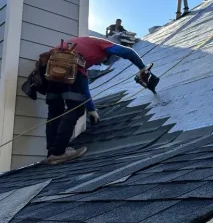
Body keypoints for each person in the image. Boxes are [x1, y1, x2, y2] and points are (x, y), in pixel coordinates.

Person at [45, 36, 159, 165]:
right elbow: (129, 52)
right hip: (69, 66)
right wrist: (142, 68)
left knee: (55, 110)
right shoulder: (102, 44)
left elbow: (84, 89)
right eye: (104, 61)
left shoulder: (83, 51)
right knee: (76, 109)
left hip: (49, 67)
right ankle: (59, 153)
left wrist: (92, 110)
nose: (99, 64)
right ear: (108, 54)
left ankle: (52, 153)